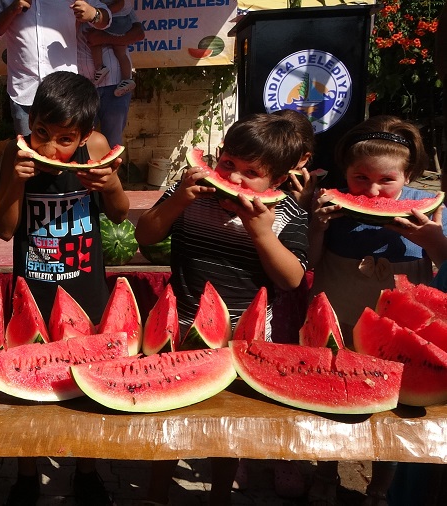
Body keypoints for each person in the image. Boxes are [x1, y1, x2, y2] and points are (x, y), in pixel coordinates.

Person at [135, 113, 309, 506]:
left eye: (252, 173)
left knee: (228, 425)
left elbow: (292, 279)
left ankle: (220, 496)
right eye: (228, 164)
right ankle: (156, 494)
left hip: (243, 336)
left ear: (277, 181)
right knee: (168, 416)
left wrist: (261, 232)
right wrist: (179, 197)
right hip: (178, 327)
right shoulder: (191, 196)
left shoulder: (287, 216)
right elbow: (145, 234)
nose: (233, 179)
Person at [0, 71, 129, 506]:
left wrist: (112, 185)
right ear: (30, 122)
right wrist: (15, 180)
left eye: (65, 139)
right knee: (27, 385)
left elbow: (120, 215)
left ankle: (86, 472)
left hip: (86, 289)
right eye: (42, 133)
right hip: (33, 291)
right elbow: (5, 228)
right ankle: (27, 473)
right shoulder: (14, 155)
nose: (51, 148)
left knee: (87, 384)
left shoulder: (99, 148)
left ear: (85, 134)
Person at [307, 115, 447, 506]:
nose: (372, 190)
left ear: (409, 176)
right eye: (360, 179)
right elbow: (313, 262)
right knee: (336, 397)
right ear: (345, 174)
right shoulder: (331, 208)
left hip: (401, 335)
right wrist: (316, 228)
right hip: (341, 318)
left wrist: (435, 242)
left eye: (387, 180)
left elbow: (444, 266)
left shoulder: (430, 213)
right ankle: (325, 472)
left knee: (397, 407)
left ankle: (380, 486)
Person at [0, 0, 110, 136]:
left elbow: (106, 19)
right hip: (25, 95)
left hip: (66, 95)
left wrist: (94, 14)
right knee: (29, 155)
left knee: (69, 153)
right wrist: (12, 9)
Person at [78, 19, 145, 147]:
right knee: (80, 139)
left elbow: (138, 33)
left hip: (117, 85)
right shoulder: (69, 6)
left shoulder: (115, 7)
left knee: (113, 143)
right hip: (83, 87)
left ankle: (112, 167)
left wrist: (104, 38)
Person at [88, 0, 137, 96]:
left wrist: (104, 13)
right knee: (120, 52)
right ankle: (127, 79)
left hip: (116, 21)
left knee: (93, 38)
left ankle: (100, 67)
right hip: (120, 22)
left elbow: (120, 4)